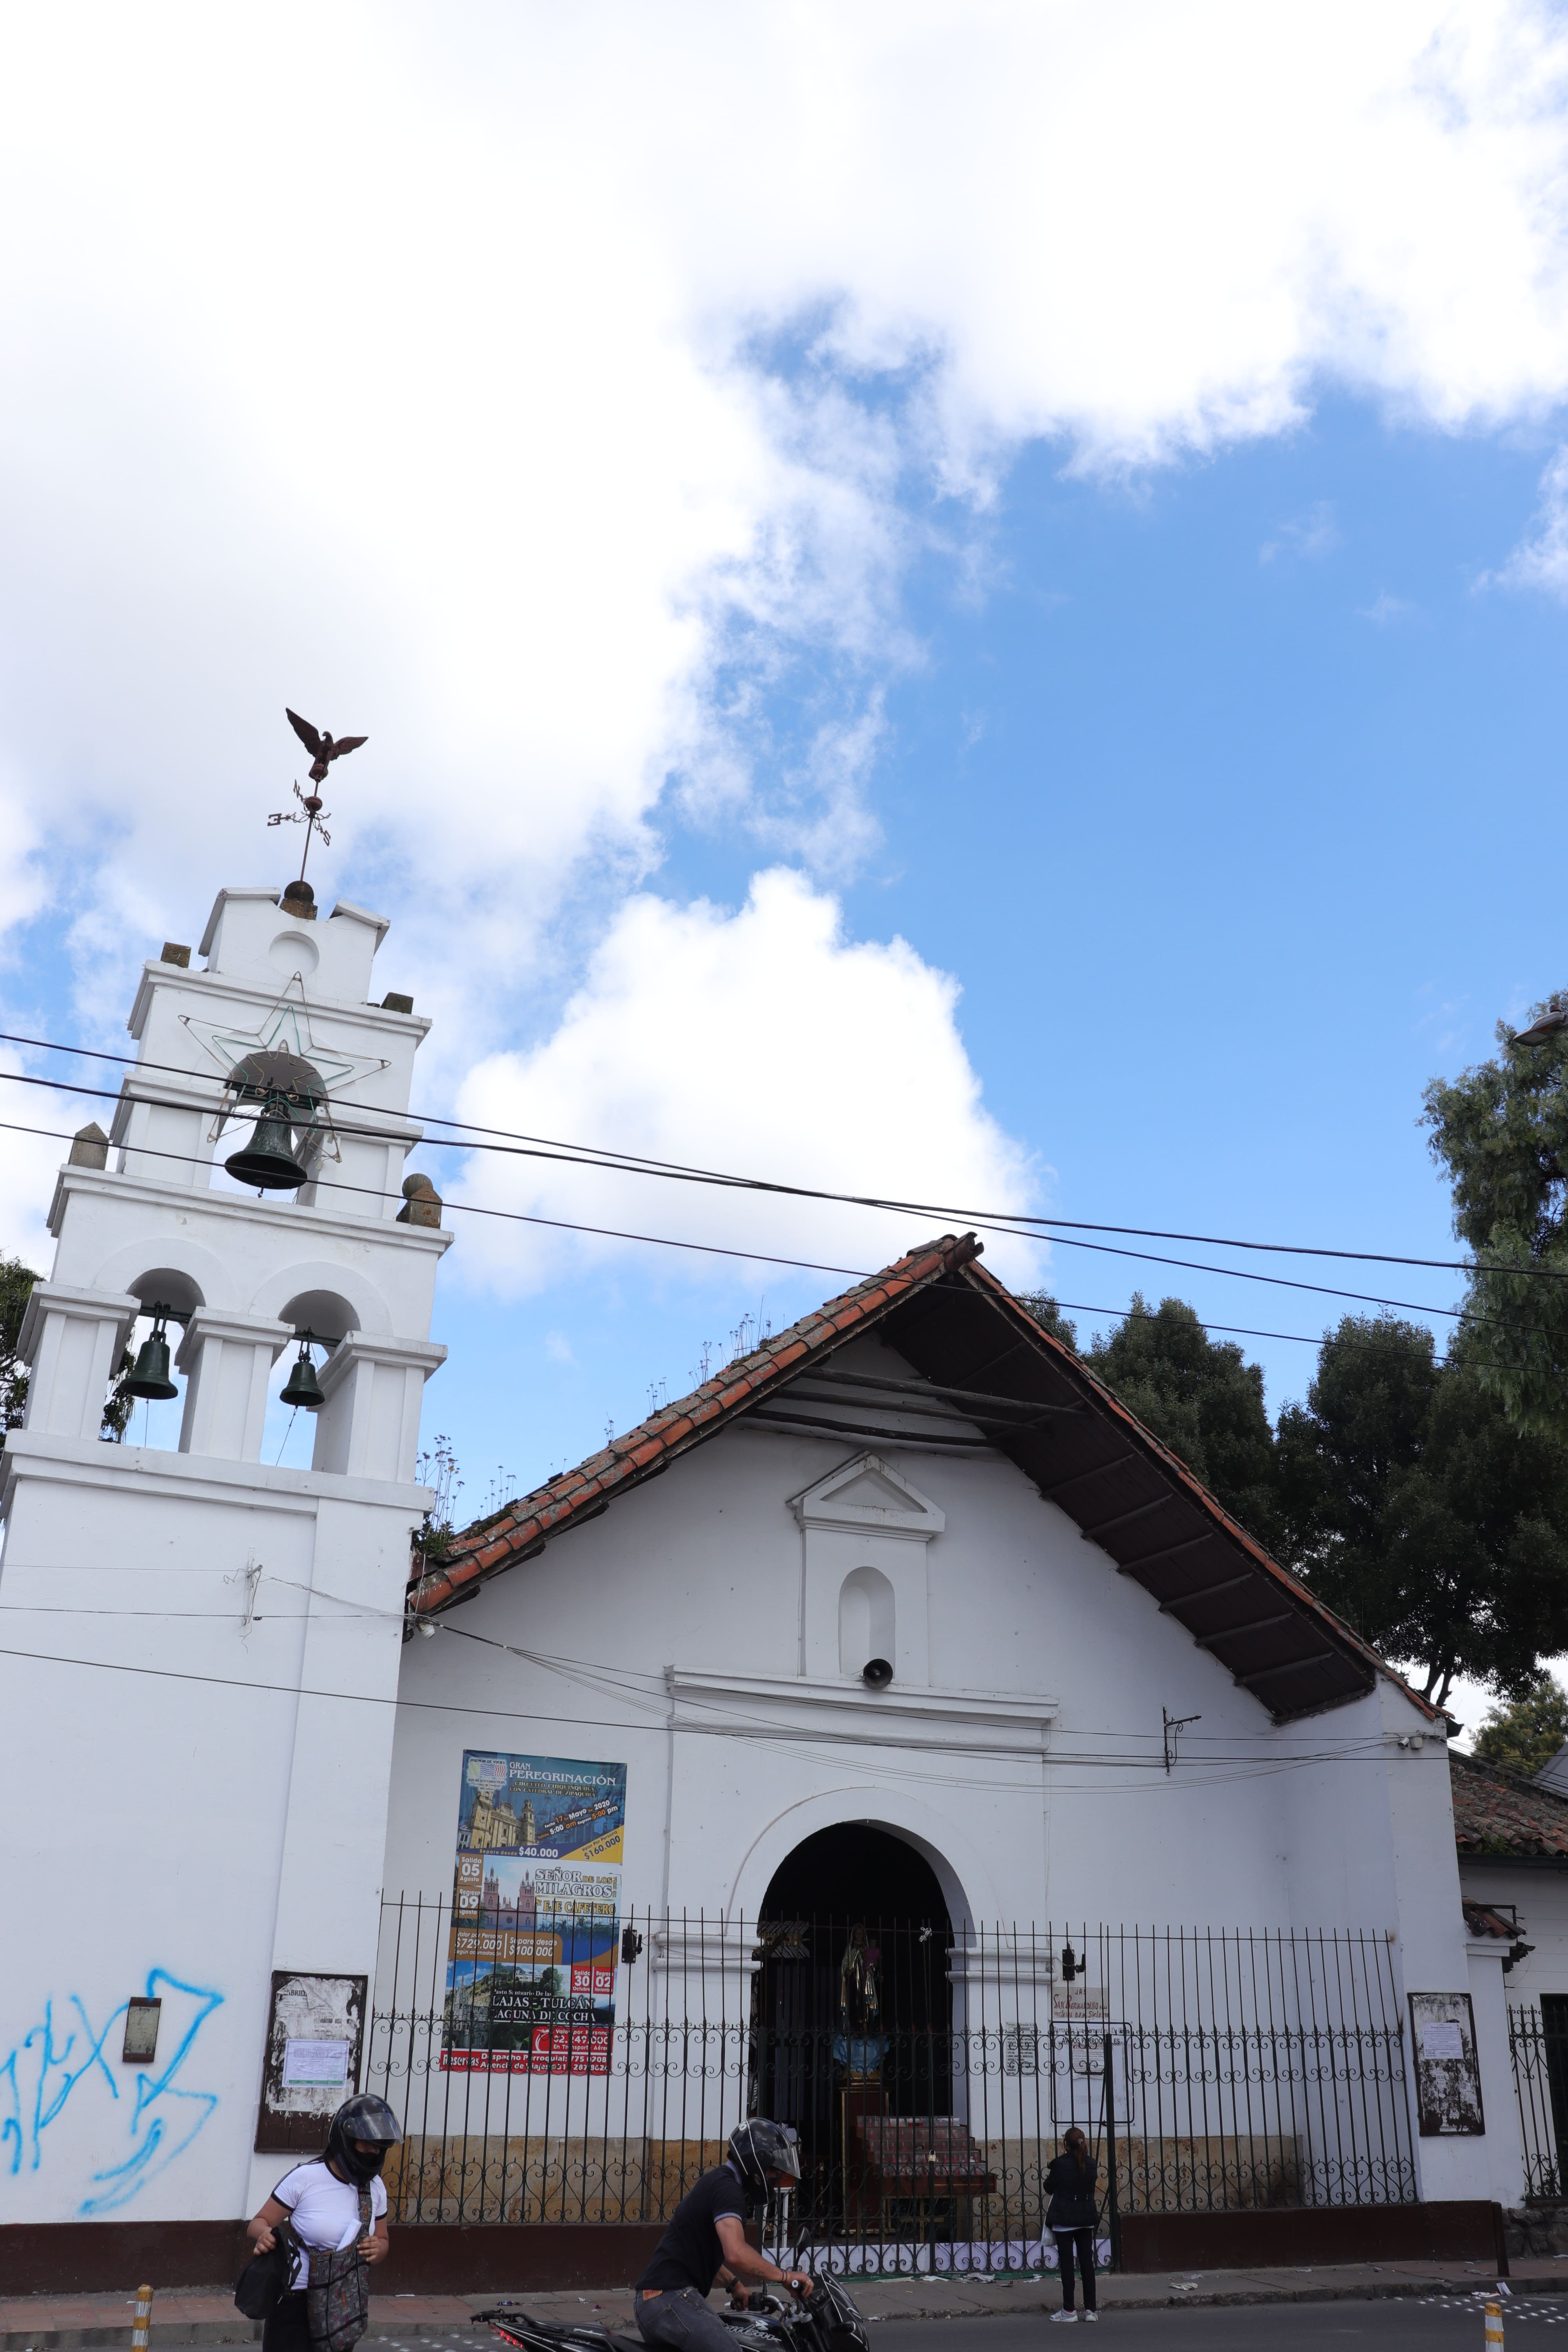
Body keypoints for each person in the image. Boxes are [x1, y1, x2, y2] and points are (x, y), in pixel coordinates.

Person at [634, 2119, 812, 2352]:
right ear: (757, 2162)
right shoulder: (729, 2190)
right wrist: (787, 2277)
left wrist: (734, 2285)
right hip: (669, 2298)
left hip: (655, 2300)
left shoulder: (720, 2182)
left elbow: (698, 2249)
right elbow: (736, 2253)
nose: (773, 2178)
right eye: (772, 2170)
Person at [245, 2092, 401, 2352]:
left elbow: (383, 2241)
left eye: (379, 2146)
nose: (373, 2152)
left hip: (342, 2307)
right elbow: (259, 2222)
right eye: (367, 2144)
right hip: (295, 2303)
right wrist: (264, 2235)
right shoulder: (306, 2178)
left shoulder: (375, 2188)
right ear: (346, 2140)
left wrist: (378, 2249)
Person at [1044, 2125, 1099, 2323]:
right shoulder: (1092, 2164)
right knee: (1087, 2264)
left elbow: (1049, 2187)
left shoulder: (1059, 2164)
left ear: (1066, 2144)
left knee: (1068, 2265)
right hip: (1086, 2219)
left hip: (1065, 2220)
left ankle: (1069, 2310)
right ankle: (1091, 2310)